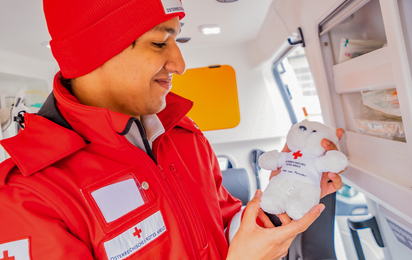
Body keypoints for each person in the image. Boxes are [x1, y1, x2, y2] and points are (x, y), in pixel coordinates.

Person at [0, 1, 343, 259]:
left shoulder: (183, 135)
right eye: (160, 43)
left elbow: (225, 230)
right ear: (96, 51)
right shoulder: (29, 195)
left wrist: (280, 196)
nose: (179, 64)